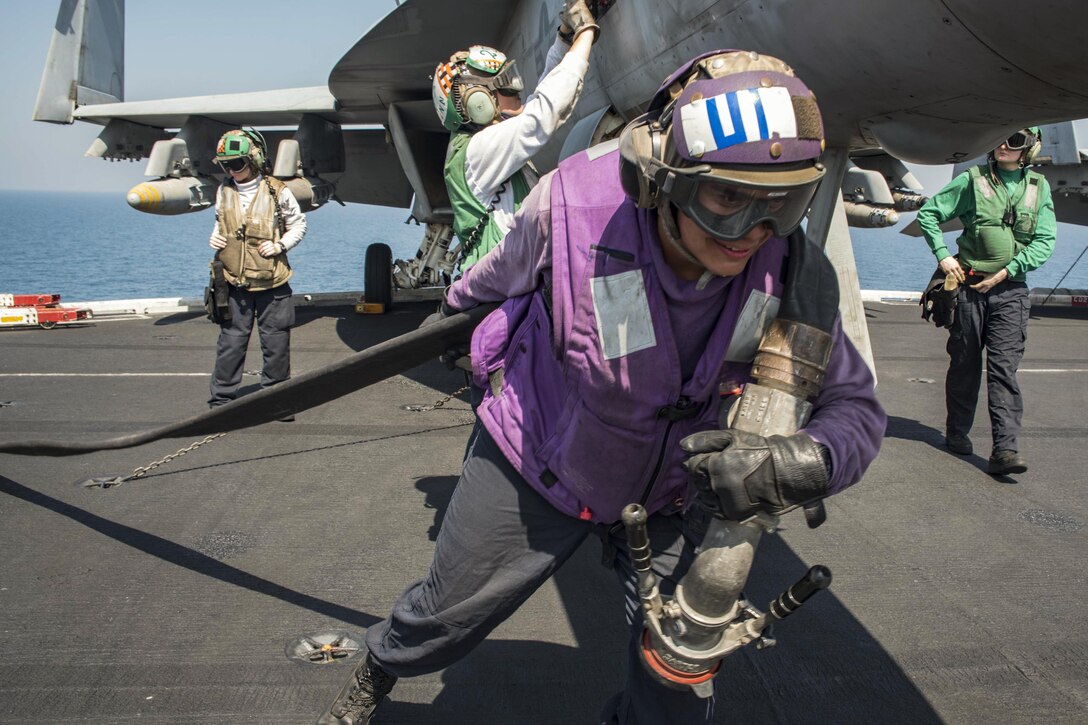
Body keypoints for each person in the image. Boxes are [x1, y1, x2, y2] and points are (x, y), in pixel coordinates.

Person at [316, 50, 885, 725]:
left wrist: (805, 460)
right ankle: (381, 664)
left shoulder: (793, 271)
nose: (752, 232)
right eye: (727, 198)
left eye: (780, 202)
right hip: (541, 459)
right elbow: (486, 285)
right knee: (442, 616)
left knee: (679, 668)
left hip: (678, 490)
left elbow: (855, 407)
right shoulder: (570, 206)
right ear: (661, 177)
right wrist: (456, 330)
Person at [916, 127, 1055, 475]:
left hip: (1011, 292)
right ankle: (957, 431)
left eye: (1016, 140)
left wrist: (1008, 271)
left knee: (1003, 370)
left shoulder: (1039, 189)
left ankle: (1004, 451)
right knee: (964, 363)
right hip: (968, 288)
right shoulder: (973, 181)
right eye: (1001, 137)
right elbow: (929, 214)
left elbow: (1045, 240)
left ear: (1031, 148)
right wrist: (944, 256)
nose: (1004, 145)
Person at [432, 0, 599, 270]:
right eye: (504, 84)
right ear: (478, 102)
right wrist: (587, 32)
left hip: (507, 285)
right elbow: (543, 113)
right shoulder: (478, 151)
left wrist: (566, 38)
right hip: (501, 297)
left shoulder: (478, 143)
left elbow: (540, 97)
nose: (517, 87)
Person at [207, 129, 307, 411]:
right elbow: (221, 220)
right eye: (225, 165)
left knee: (275, 345)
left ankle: (276, 401)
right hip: (233, 282)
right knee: (230, 343)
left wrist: (280, 246)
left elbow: (299, 224)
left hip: (272, 284)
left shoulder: (277, 191)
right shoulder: (224, 190)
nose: (231, 170)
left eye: (236, 164)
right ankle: (221, 402)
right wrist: (214, 236)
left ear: (253, 160)